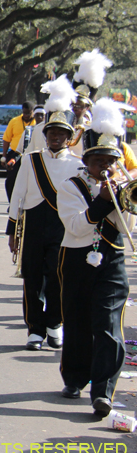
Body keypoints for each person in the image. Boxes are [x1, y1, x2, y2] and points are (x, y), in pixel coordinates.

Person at [56, 99, 130, 417]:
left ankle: (103, 392)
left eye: (110, 161)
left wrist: (119, 200)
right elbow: (75, 227)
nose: (105, 167)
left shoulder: (122, 189)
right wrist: (101, 202)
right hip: (76, 260)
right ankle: (75, 379)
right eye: (99, 161)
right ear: (87, 161)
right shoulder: (70, 187)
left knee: (109, 326)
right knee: (77, 322)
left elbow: (127, 229)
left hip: (112, 261)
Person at [6, 98, 80, 352]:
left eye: (61, 133)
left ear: (69, 137)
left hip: (63, 226)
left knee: (59, 277)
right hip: (34, 225)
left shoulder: (78, 165)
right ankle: (35, 330)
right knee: (33, 279)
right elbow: (18, 195)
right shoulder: (31, 160)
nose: (55, 137)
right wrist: (12, 231)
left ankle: (55, 324)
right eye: (51, 132)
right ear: (45, 135)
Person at [1, 102, 36, 201]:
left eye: (29, 113)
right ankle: (12, 203)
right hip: (16, 154)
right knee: (11, 180)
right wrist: (4, 156)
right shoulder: (14, 121)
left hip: (32, 155)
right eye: (24, 113)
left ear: (33, 112)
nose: (26, 115)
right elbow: (6, 139)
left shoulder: (37, 122)